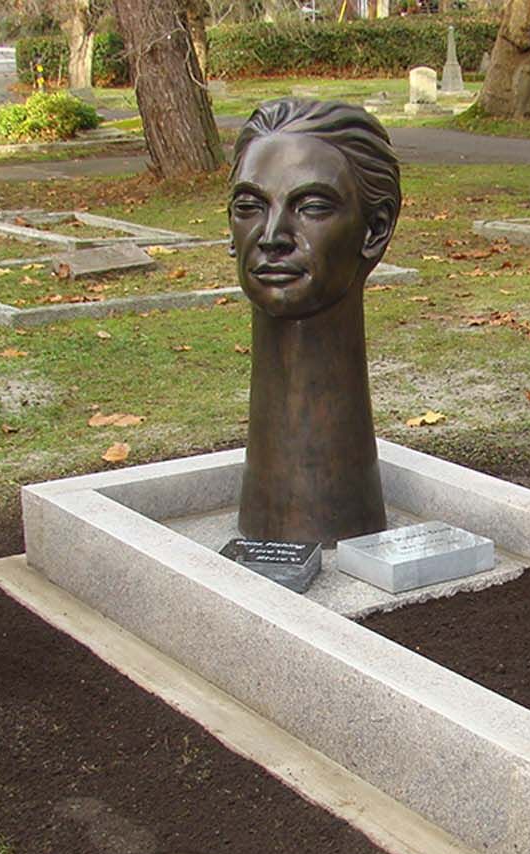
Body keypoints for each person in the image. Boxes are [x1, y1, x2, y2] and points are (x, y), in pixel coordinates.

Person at [228, 98, 402, 545]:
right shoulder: (270, 242)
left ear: (375, 229)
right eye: (250, 206)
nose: (271, 238)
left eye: (311, 208)